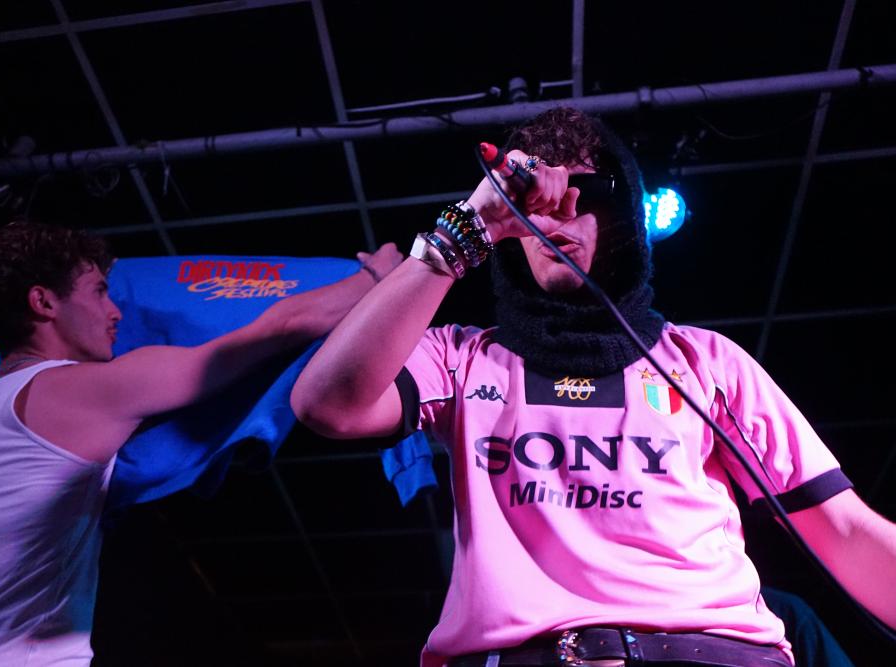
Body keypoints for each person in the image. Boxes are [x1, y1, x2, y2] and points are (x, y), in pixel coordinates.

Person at [290, 107, 896, 666]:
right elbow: (325, 404)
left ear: (623, 219)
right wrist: (469, 226)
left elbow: (844, 531)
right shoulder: (460, 358)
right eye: (533, 199)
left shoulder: (706, 361)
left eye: (587, 194)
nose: (556, 214)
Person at [0, 221, 401, 666]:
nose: (115, 312)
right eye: (98, 292)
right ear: (44, 303)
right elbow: (275, 330)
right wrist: (375, 277)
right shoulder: (76, 392)